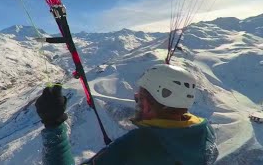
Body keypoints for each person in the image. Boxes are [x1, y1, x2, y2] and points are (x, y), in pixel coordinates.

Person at [35, 64, 219, 165]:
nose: (136, 101)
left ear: (146, 105)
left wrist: (54, 125)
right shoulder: (205, 132)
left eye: (138, 97)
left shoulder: (135, 146)